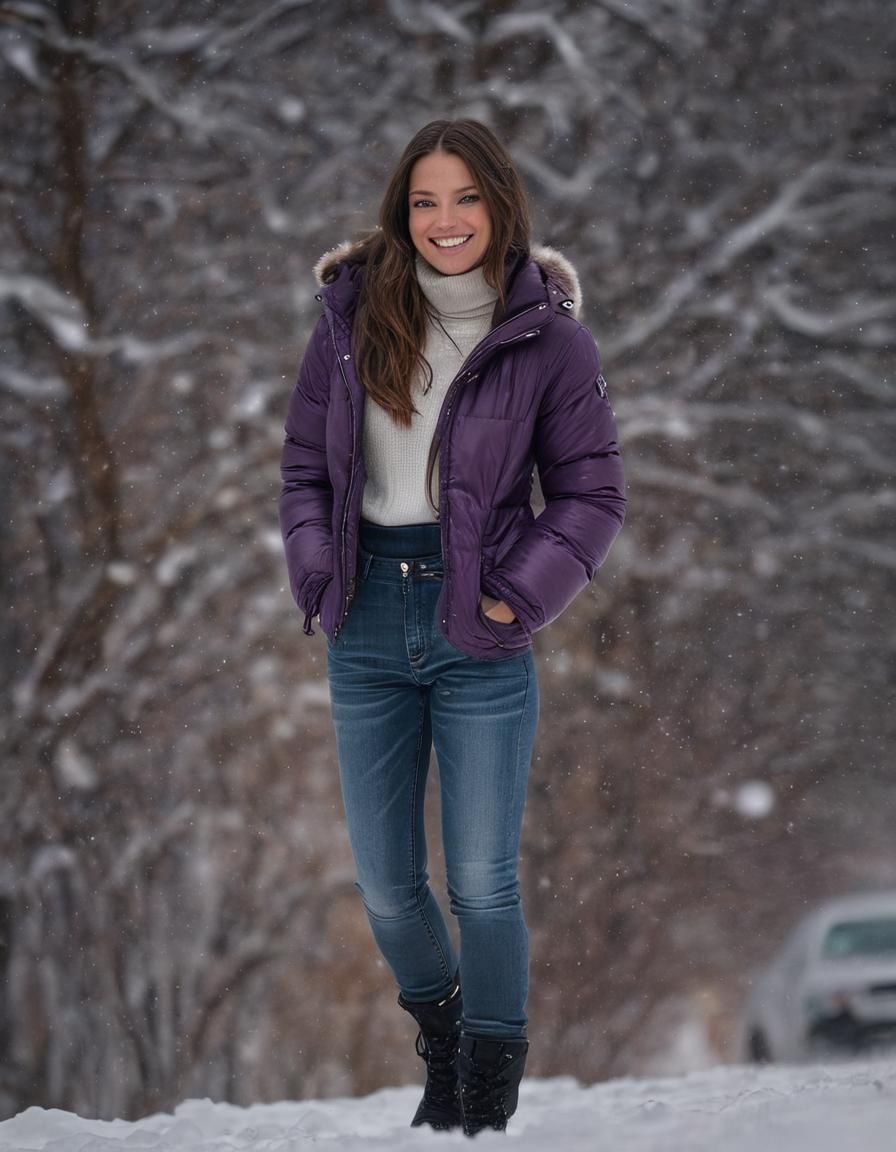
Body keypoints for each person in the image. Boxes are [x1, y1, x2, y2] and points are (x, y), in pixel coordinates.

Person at [279, 119, 625, 1136]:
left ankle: (488, 1077)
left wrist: (517, 596)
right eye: (425, 201)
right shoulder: (349, 319)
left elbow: (591, 494)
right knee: (387, 889)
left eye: (465, 199)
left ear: (499, 207)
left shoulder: (547, 339)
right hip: (367, 620)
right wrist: (315, 572)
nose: (444, 221)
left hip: (480, 620)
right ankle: (442, 1034)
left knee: (481, 879)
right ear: (402, 210)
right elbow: (304, 470)